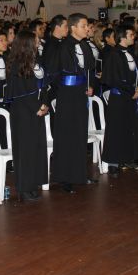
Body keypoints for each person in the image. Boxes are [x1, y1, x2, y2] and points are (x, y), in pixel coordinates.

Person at [51, 13, 97, 193]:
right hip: (67, 96)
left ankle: (79, 174)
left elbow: (89, 70)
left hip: (81, 95)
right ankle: (64, 177)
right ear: (73, 28)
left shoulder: (85, 45)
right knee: (66, 135)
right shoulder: (63, 47)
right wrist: (66, 87)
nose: (87, 29)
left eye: (87, 26)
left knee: (79, 134)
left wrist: (90, 85)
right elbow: (54, 73)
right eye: (84, 26)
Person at [5, 30, 49, 200]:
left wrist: (44, 103)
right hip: (23, 112)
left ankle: (34, 183)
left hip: (37, 110)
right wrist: (36, 106)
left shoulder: (37, 61)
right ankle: (24, 188)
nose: (39, 42)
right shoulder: (17, 64)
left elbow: (43, 85)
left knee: (36, 147)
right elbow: (21, 92)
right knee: (25, 150)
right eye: (36, 40)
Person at [101, 25, 138, 176]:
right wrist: (132, 90)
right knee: (116, 130)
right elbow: (114, 78)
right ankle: (113, 163)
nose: (133, 37)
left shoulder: (130, 53)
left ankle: (126, 157)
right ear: (122, 37)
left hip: (130, 96)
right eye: (131, 34)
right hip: (119, 97)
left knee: (128, 128)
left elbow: (136, 74)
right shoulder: (113, 54)